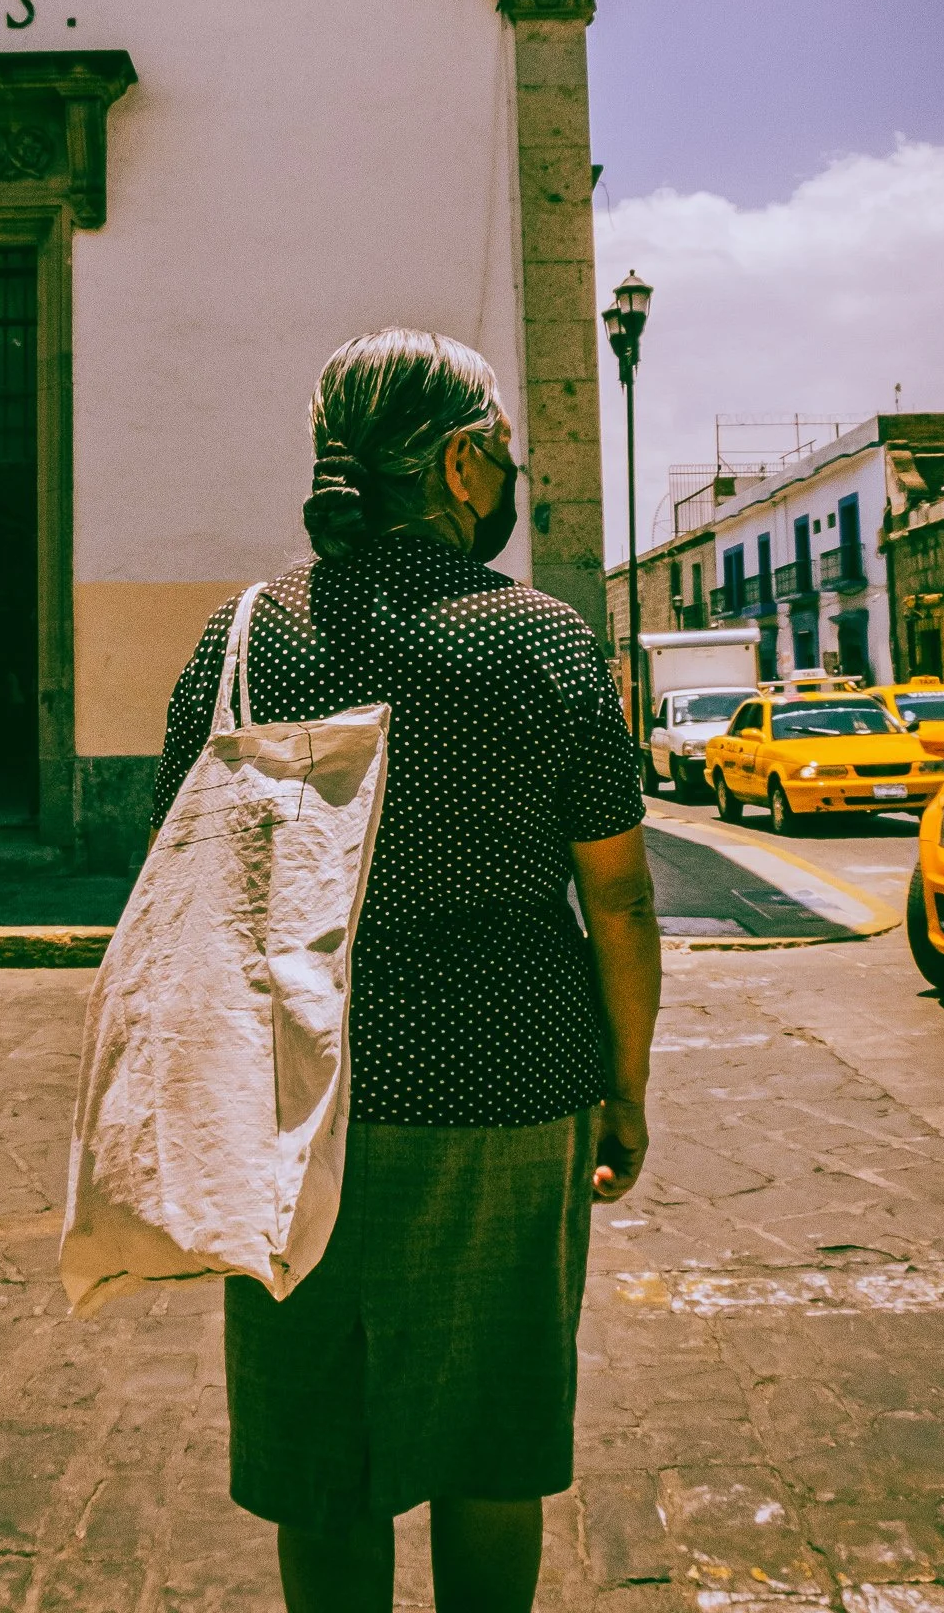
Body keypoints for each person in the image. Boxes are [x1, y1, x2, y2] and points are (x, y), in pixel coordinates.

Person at [150, 328, 662, 1613]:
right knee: (490, 1450)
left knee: (325, 1467)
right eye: (501, 450)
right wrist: (627, 1083)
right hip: (508, 1082)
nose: (507, 474)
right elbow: (619, 893)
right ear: (455, 463)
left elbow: (184, 864)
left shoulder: (244, 638)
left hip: (294, 1115)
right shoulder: (543, 643)